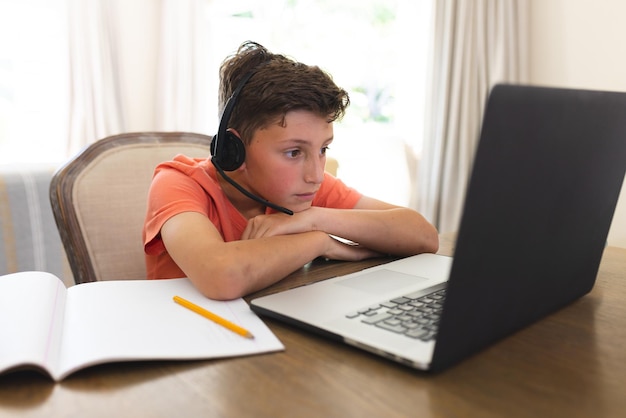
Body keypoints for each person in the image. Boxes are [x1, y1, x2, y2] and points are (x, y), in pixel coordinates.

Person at [142, 41, 438, 300]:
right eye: (294, 152)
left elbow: (423, 235)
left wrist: (315, 218)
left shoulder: (305, 192)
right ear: (235, 149)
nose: (316, 175)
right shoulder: (178, 183)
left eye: (323, 149)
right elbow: (223, 276)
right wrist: (319, 241)